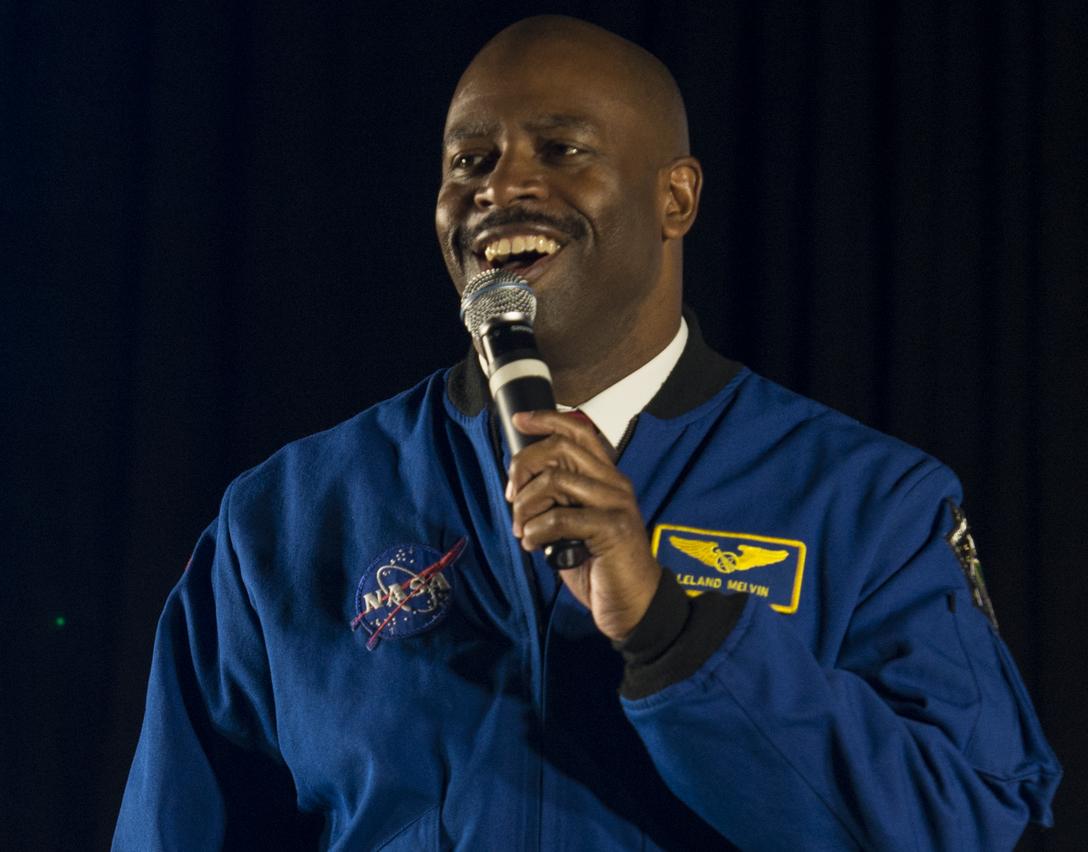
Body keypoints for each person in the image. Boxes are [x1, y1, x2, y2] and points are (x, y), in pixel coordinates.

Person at [114, 15, 1060, 850]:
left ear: (675, 198)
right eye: (468, 161)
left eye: (562, 149)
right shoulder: (287, 517)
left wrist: (670, 629)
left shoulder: (868, 501)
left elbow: (967, 820)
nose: (501, 188)